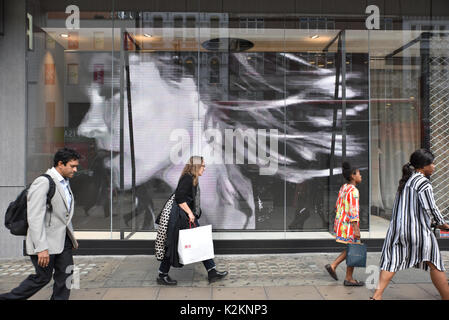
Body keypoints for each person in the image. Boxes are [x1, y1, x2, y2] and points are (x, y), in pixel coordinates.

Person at [0, 148, 80, 300]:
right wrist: (41, 248)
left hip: (64, 241)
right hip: (45, 242)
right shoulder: (43, 182)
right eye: (72, 166)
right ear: (60, 164)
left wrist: (72, 239)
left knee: (67, 275)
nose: (75, 170)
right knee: (42, 278)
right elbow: (35, 217)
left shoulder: (64, 182)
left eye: (76, 166)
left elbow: (63, 215)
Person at [371, 149, 449, 300]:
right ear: (423, 166)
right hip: (418, 231)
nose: (434, 166)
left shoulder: (407, 180)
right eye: (432, 163)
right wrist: (442, 223)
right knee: (434, 262)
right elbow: (430, 207)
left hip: (399, 231)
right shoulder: (423, 182)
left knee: (391, 262)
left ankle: (377, 296)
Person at [157, 156, 228, 285]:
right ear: (196, 167)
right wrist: (190, 213)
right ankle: (162, 275)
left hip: (184, 214)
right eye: (203, 166)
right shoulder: (187, 178)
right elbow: (179, 198)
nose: (204, 168)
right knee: (173, 243)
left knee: (198, 240)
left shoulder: (192, 178)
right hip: (179, 216)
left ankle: (212, 271)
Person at [325, 161, 364, 286]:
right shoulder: (353, 190)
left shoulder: (343, 188)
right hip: (349, 225)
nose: (361, 176)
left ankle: (343, 272)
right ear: (353, 176)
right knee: (353, 248)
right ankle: (344, 274)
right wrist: (356, 228)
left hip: (341, 224)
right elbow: (353, 210)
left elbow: (337, 206)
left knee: (350, 248)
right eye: (359, 173)